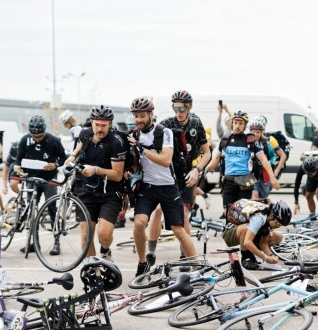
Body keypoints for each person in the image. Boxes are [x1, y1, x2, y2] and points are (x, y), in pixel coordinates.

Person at [126, 96, 197, 276]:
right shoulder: (135, 135)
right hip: (148, 188)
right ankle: (143, 263)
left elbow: (165, 160)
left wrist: (142, 149)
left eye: (142, 116)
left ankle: (198, 268)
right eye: (136, 116)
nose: (139, 120)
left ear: (150, 114)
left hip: (168, 186)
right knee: (139, 223)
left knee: (178, 230)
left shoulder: (164, 132)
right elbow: (136, 165)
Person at [145, 90, 211, 264]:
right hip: (168, 174)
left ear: (190, 107)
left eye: (182, 108)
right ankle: (150, 253)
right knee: (158, 210)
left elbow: (207, 153)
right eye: (175, 108)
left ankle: (185, 255)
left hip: (188, 173)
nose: (179, 112)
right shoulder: (166, 124)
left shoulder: (196, 123)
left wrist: (197, 170)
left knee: (183, 212)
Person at [65, 105, 126, 261]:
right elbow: (80, 145)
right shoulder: (85, 133)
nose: (100, 128)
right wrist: (72, 157)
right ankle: (93, 271)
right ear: (92, 122)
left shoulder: (116, 142)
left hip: (109, 192)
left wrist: (96, 170)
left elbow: (118, 175)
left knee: (104, 235)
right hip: (86, 190)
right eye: (97, 124)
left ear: (110, 124)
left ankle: (105, 250)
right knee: (86, 235)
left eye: (104, 125)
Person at [207, 111, 280, 211]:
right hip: (229, 181)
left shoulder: (251, 140)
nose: (237, 126)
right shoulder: (225, 140)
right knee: (228, 213)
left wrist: (273, 178)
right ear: (232, 123)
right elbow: (216, 158)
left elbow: (263, 159)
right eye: (235, 123)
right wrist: (205, 169)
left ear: (245, 125)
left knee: (242, 213)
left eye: (241, 123)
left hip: (245, 181)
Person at [14, 116, 67, 253]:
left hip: (49, 179)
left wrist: (55, 165)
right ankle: (34, 242)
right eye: (34, 136)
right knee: (32, 211)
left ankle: (56, 243)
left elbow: (64, 158)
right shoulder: (25, 140)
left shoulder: (53, 140)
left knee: (52, 209)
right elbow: (18, 158)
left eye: (40, 136)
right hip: (31, 179)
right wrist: (17, 167)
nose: (37, 138)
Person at [222, 199, 292, 270]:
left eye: (280, 225)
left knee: (278, 236)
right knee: (246, 229)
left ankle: (251, 251)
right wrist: (265, 258)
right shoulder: (259, 217)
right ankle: (246, 258)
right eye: (277, 223)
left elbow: (263, 243)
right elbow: (247, 242)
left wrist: (271, 256)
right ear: (272, 216)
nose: (278, 226)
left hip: (244, 231)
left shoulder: (268, 216)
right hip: (229, 234)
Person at [249, 117, 285, 199]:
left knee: (263, 198)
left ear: (262, 132)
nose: (255, 134)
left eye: (258, 132)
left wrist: (269, 164)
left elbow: (274, 156)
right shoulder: (247, 142)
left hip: (264, 175)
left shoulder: (268, 143)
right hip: (251, 175)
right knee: (254, 196)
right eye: (253, 132)